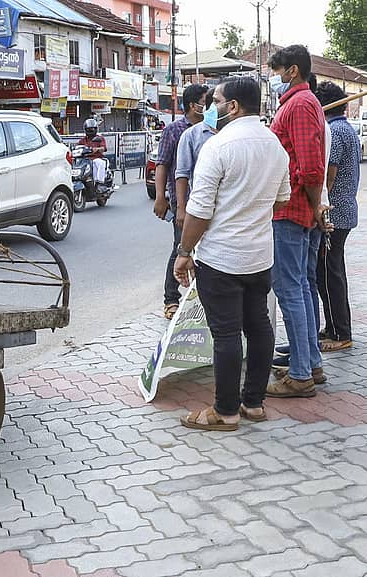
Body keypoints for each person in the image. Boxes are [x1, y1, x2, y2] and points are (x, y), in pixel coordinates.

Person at [174, 77, 291, 431]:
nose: (211, 107)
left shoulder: (218, 146)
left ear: (234, 106)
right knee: (259, 326)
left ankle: (225, 411)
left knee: (226, 334)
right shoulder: (275, 145)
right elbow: (281, 200)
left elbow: (198, 212)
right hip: (259, 257)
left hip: (222, 259)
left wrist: (184, 251)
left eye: (216, 101)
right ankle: (253, 403)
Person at [264, 45, 329, 399]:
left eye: (277, 72)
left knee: (290, 290)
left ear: (291, 71)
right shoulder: (299, 103)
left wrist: (315, 206)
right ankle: (310, 364)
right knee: (300, 287)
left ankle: (301, 373)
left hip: (290, 210)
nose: (275, 79)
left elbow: (311, 167)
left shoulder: (300, 104)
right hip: (295, 208)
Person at [154, 83, 209, 320]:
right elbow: (162, 164)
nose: (209, 107)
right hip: (183, 202)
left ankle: (202, 297)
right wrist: (161, 198)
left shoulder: (212, 130)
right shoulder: (175, 130)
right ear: (193, 105)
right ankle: (171, 299)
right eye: (205, 102)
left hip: (206, 200)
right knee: (181, 247)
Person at [314, 80, 359, 351]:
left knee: (329, 274)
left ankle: (340, 333)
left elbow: (328, 178)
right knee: (331, 271)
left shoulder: (335, 131)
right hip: (344, 210)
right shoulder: (345, 128)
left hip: (335, 213)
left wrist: (319, 206)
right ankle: (333, 326)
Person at [174, 87, 217, 231]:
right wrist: (181, 208)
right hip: (200, 206)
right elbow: (182, 174)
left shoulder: (231, 133)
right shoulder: (191, 135)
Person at [77, 118, 108, 183]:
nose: (90, 131)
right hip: (85, 160)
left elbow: (104, 148)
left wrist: (97, 149)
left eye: (92, 129)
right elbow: (78, 148)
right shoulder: (82, 140)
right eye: (88, 129)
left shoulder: (100, 138)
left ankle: (100, 182)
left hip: (96, 158)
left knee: (100, 163)